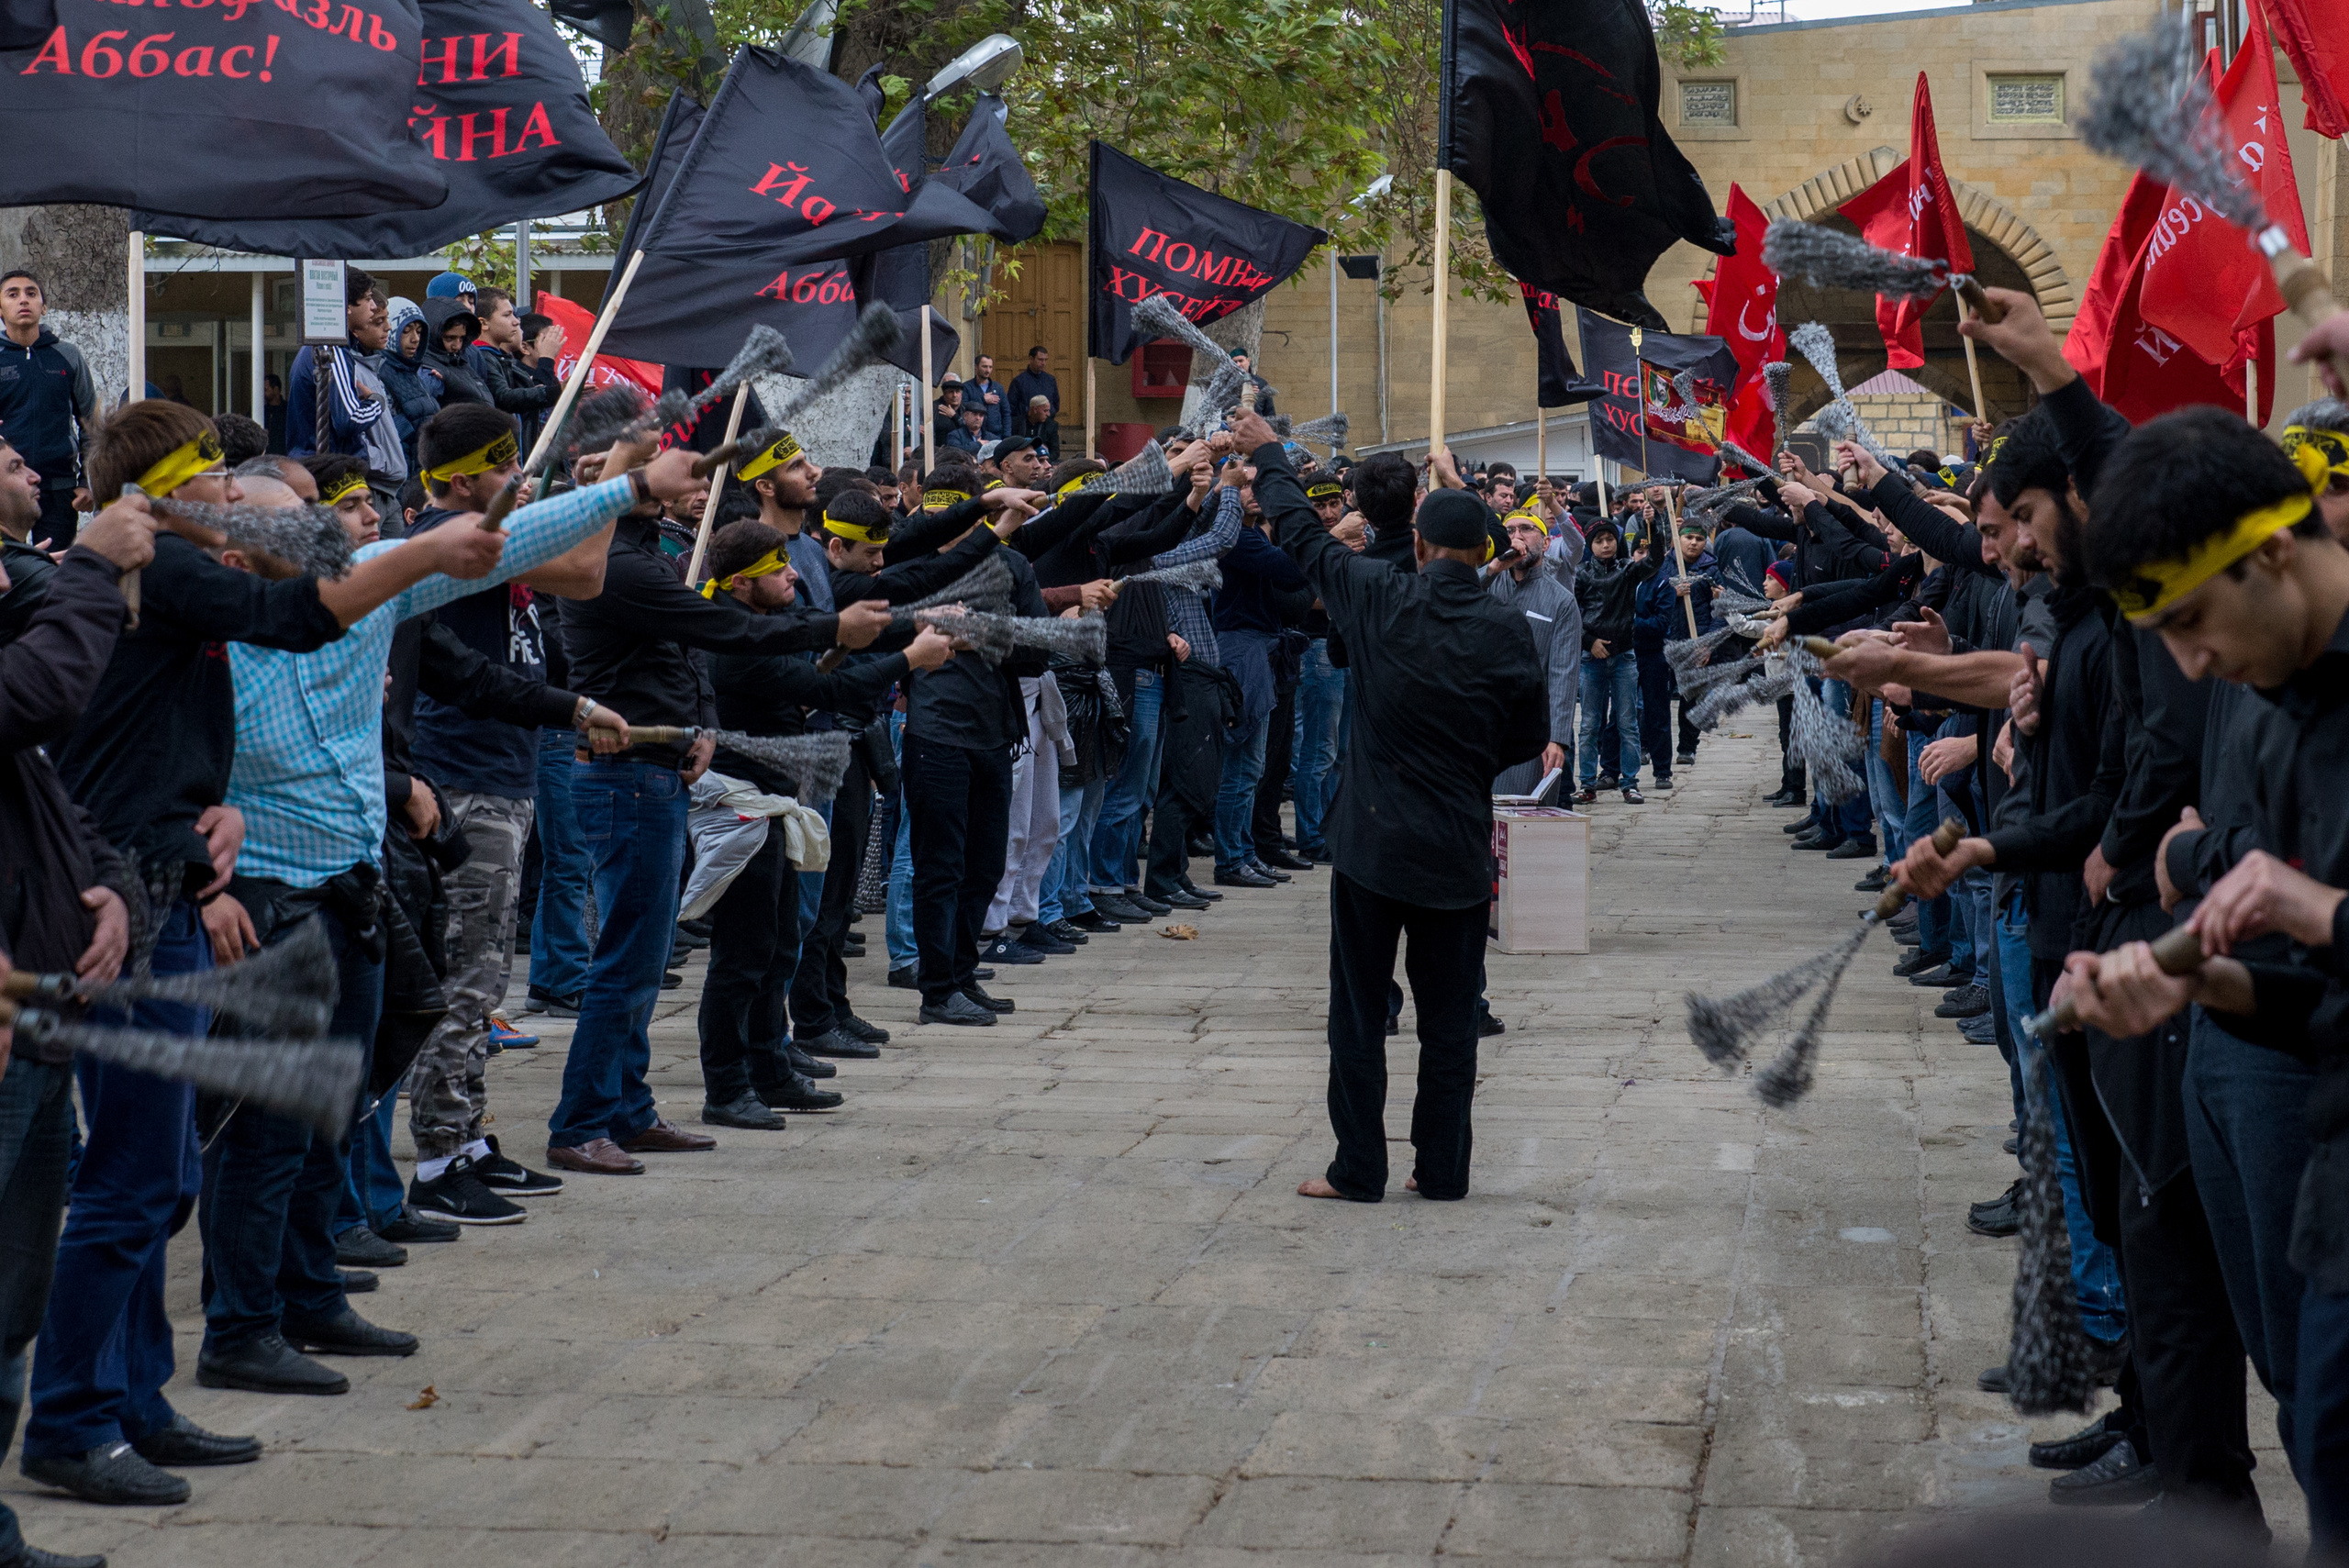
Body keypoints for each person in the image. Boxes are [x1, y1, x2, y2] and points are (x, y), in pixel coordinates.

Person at [550, 445, 893, 1172]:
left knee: (643, 964)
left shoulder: (644, 554)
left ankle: (629, 1109)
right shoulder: (615, 563)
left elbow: (688, 657)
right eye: (662, 471)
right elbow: (727, 631)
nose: (693, 482)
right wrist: (833, 629)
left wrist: (701, 724)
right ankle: (581, 1121)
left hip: (659, 768)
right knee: (626, 964)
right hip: (627, 776)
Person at [1249, 417, 1545, 1204]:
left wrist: (1268, 452)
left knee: (1357, 1014)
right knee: (1450, 1020)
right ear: (1483, 554)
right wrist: (1468, 761)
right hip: (1455, 842)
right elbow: (1529, 735)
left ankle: (1359, 1166)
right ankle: (1442, 1167)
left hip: (1373, 840)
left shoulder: (1378, 594)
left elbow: (1301, 535)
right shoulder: (1506, 625)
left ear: (1417, 545)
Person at [399, 406, 614, 1224]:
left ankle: (470, 1137)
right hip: (465, 778)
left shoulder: (487, 531)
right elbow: (586, 571)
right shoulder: (455, 539)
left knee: (485, 976)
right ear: (461, 482)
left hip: (501, 774)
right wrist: (617, 478)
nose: (519, 477)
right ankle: (439, 1155)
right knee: (464, 979)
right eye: (504, 466)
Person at [0, 486, 155, 1568]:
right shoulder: (56, 610)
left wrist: (109, 891)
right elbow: (40, 692)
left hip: (40, 1020)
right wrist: (95, 569)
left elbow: (44, 790)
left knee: (13, 1290)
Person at [697, 518, 955, 1124]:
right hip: (742, 807)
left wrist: (909, 621)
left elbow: (826, 629)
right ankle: (726, 1089)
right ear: (739, 583)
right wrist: (910, 657)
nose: (793, 573)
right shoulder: (734, 642)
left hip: (777, 804)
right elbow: (829, 688)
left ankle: (770, 1069)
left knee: (778, 943)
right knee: (741, 956)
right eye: (777, 568)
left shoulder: (770, 618)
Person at [0, 269, 99, 550]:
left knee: (54, 569)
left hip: (59, 489)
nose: (23, 300)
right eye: (13, 294)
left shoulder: (68, 355)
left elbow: (91, 424)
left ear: (43, 307)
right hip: (5, 489)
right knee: (8, 568)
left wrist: (88, 482)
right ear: (0, 310)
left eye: (31, 293)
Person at [1487, 506, 1581, 796]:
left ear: (1546, 542)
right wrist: (1492, 569)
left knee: (1524, 812)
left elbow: (1563, 674)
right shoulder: (1487, 585)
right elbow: (1449, 595)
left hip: (1529, 731)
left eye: (1527, 529)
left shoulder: (1561, 601)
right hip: (1483, 724)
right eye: (1510, 530)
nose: (1518, 536)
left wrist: (1557, 738)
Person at [1574, 519, 1662, 804]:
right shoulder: (1581, 574)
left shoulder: (1627, 569)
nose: (1605, 545)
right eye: (1599, 541)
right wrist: (1589, 642)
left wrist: (1653, 525)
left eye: (1610, 539)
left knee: (1628, 723)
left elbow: (1655, 560)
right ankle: (1587, 784)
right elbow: (1572, 615)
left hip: (1624, 656)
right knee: (1589, 724)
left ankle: (1630, 782)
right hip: (1592, 658)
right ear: (1590, 545)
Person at [285, 268, 390, 461]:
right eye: (368, 299)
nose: (373, 306)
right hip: (330, 466)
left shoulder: (319, 347)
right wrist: (377, 401)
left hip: (314, 460)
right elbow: (350, 419)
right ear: (347, 306)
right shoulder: (332, 350)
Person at [466, 288, 558, 452]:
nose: (516, 322)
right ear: (483, 324)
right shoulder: (482, 358)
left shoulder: (501, 359)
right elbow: (505, 398)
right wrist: (556, 391)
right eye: (507, 315)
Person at [1008, 346, 1060, 438]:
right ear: (1031, 359)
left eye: (1045, 360)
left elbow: (1056, 403)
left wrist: (1049, 414)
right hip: (1026, 427)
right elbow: (1011, 406)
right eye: (1040, 360)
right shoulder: (1019, 381)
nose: (1043, 363)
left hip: (1046, 426)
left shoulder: (1050, 380)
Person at [966, 353, 1009, 440]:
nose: (988, 370)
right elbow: (964, 407)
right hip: (973, 434)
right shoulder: (967, 387)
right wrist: (982, 399)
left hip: (996, 434)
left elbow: (1006, 413)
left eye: (990, 367)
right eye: (984, 367)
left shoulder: (998, 388)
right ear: (976, 367)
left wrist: (1007, 435)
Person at [1024, 397, 1063, 463]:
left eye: (1048, 411)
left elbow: (1055, 451)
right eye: (1045, 411)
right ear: (1035, 409)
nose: (1048, 414)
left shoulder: (1051, 425)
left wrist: (1043, 460)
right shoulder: (1018, 424)